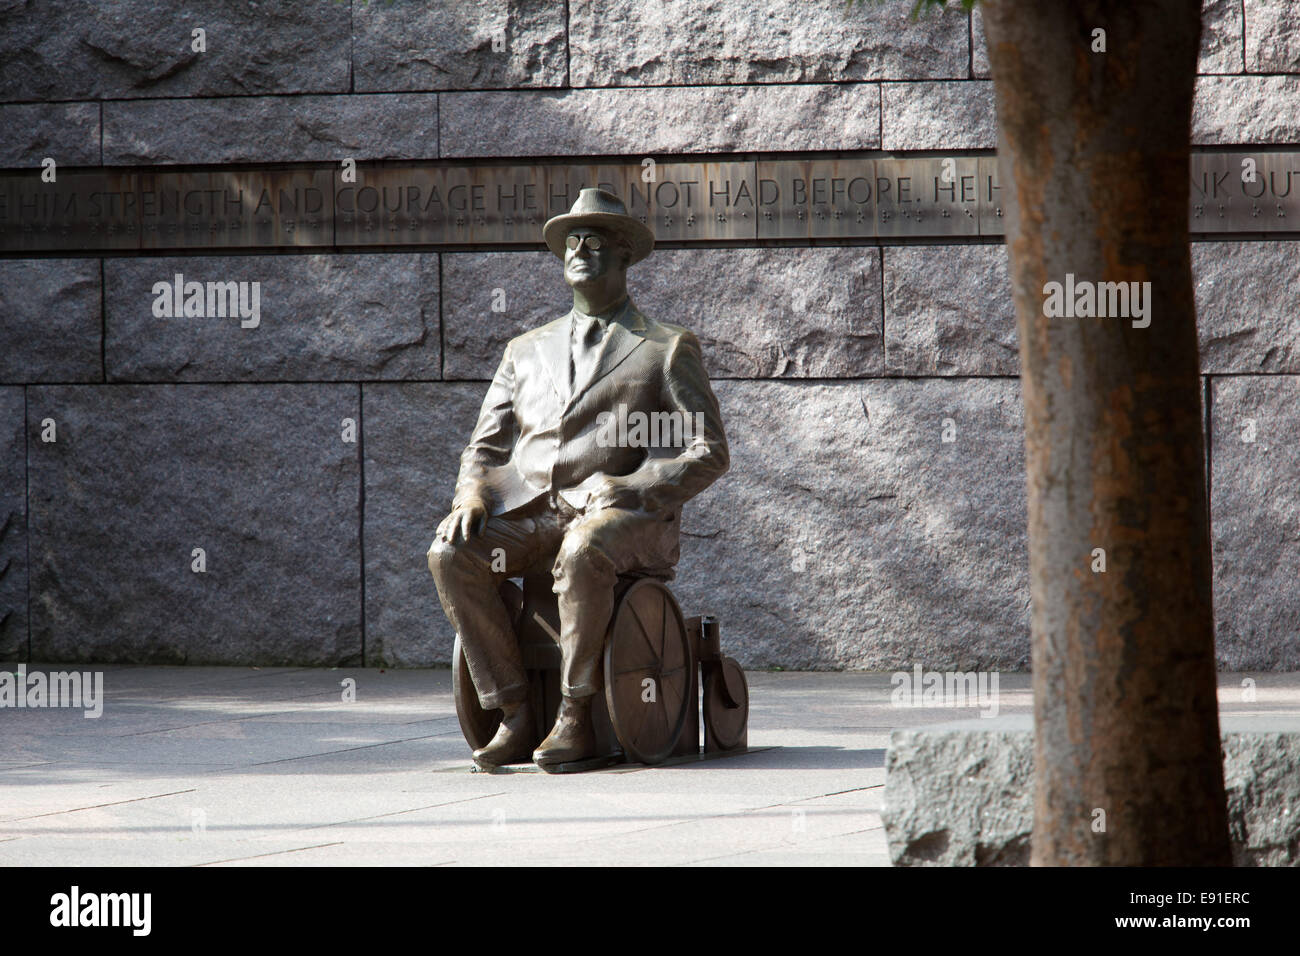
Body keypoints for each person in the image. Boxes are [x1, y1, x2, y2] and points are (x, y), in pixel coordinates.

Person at [428, 188, 729, 772]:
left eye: (595, 238)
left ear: (624, 255)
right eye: (572, 239)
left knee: (585, 545)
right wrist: (471, 493)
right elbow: (485, 447)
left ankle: (574, 713)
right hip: (533, 508)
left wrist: (638, 485)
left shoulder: (665, 348)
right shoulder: (525, 350)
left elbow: (710, 451)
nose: (580, 246)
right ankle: (514, 711)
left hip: (622, 516)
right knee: (449, 554)